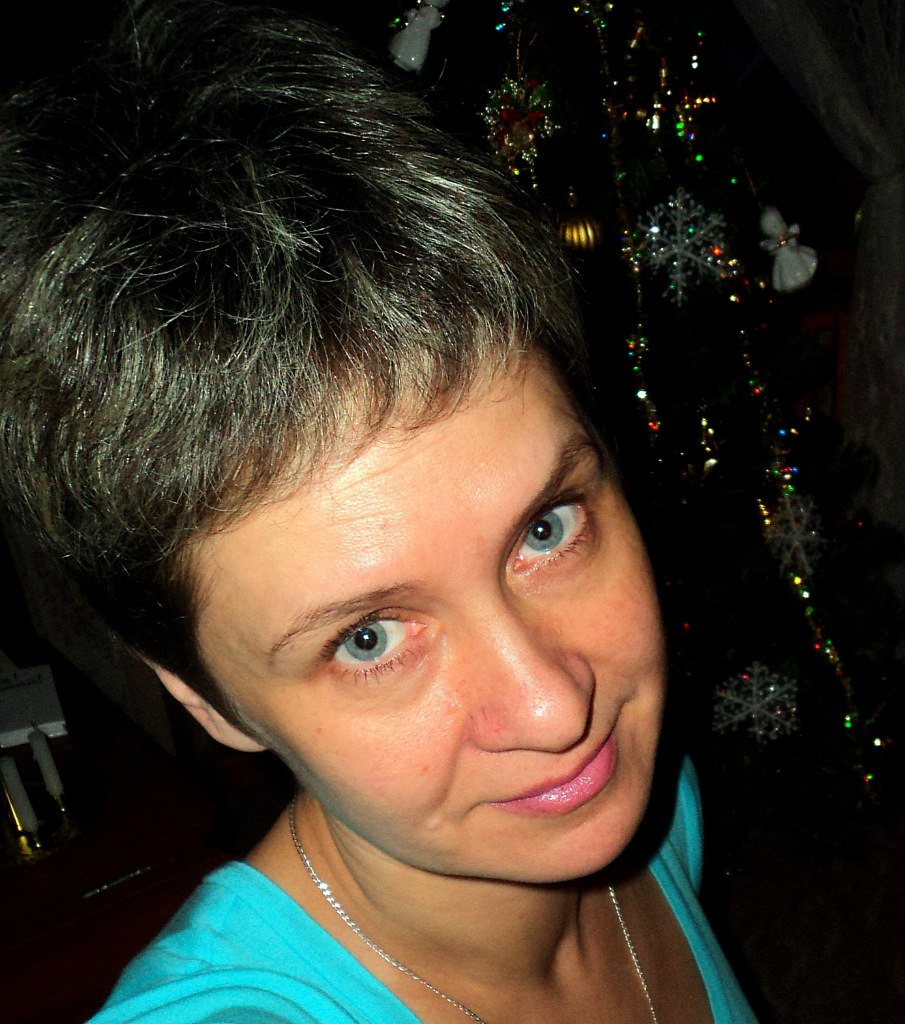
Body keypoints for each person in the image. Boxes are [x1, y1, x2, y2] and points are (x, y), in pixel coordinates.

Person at [0, 2, 758, 1021]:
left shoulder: (645, 803)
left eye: (545, 529)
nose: (555, 709)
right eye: (368, 638)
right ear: (207, 699)